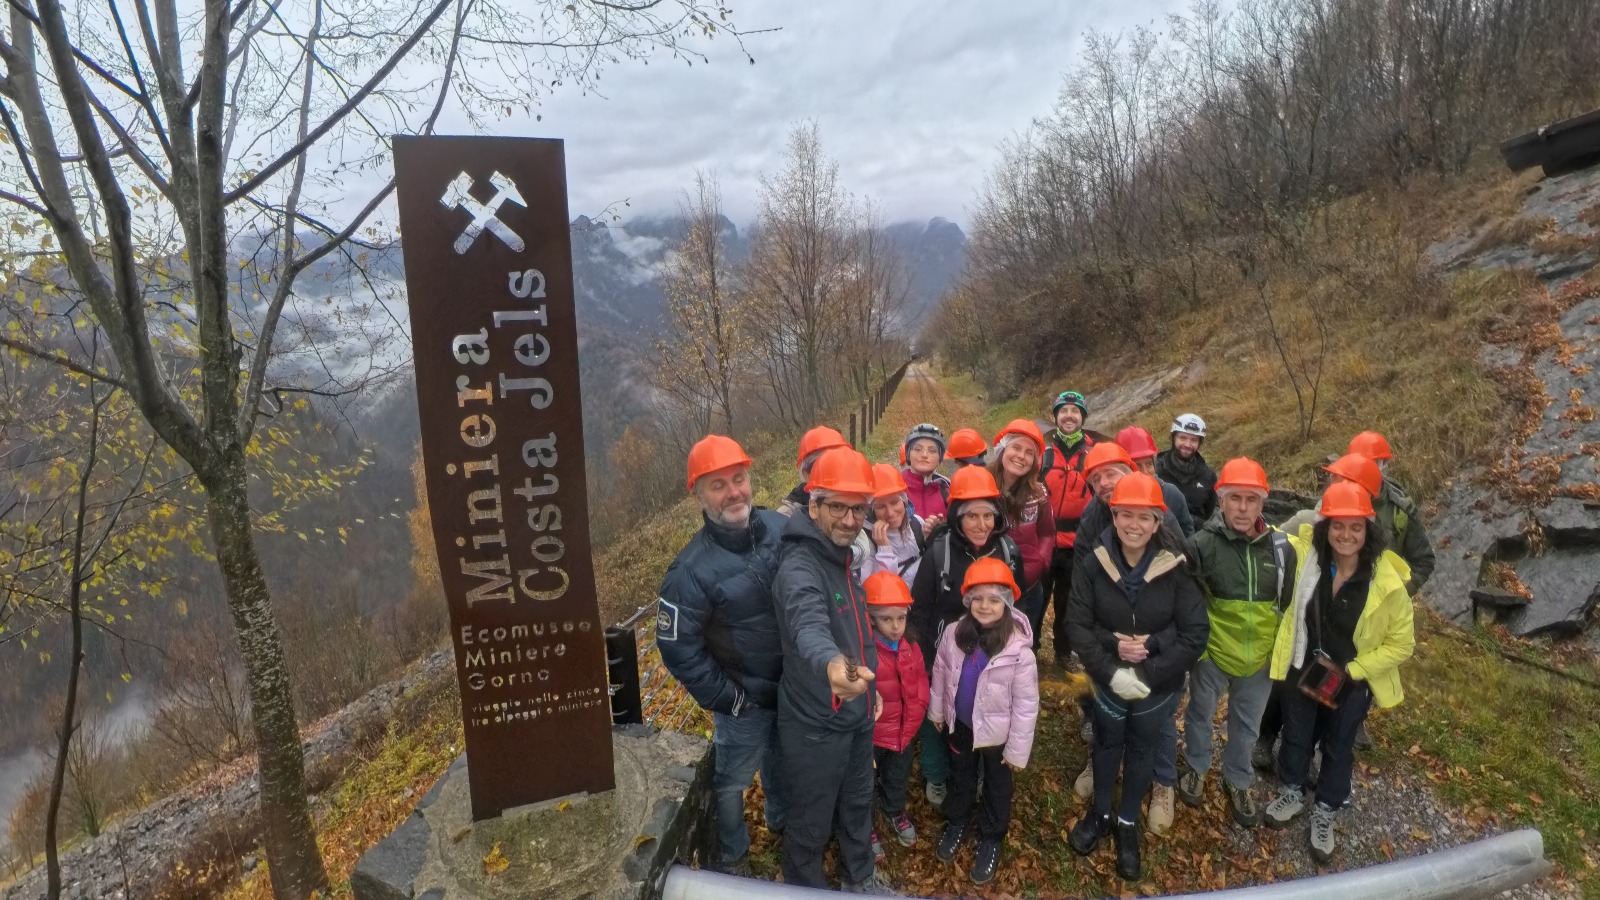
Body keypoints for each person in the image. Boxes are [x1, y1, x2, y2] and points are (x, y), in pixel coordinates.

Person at [1067, 473, 1209, 883]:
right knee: (1107, 741)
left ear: (1157, 521)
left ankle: (1127, 820)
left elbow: (1195, 633)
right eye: (1125, 515)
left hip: (1157, 685)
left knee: (1143, 746)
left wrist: (1148, 671)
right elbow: (1078, 624)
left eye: (1144, 517)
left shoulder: (1177, 567)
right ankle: (1101, 813)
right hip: (1108, 680)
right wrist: (1112, 669)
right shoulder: (1094, 564)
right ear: (1113, 516)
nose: (1134, 525)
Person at [1264, 482, 1415, 865]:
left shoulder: (1386, 583)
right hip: (1304, 667)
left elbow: (1402, 644)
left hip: (1352, 681)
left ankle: (1325, 810)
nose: (1346, 535)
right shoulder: (1308, 558)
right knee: (1296, 734)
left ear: (1368, 530)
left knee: (1338, 745)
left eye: (1355, 527)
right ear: (1325, 526)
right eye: (1338, 526)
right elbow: (1267, 536)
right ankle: (1292, 790)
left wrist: (1355, 670)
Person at [656, 435, 787, 874]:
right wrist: (729, 699)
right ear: (698, 494)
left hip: (790, 690)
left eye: (739, 479)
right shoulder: (689, 573)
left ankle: (781, 823)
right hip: (743, 702)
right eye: (718, 485)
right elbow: (679, 649)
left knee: (781, 761)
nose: (734, 492)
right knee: (731, 782)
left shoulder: (780, 531)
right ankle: (732, 856)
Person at [772, 447, 894, 894]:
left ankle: (859, 876)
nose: (849, 519)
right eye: (838, 507)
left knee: (859, 800)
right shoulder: (801, 565)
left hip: (855, 710)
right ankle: (804, 887)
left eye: (858, 509)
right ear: (814, 506)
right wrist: (831, 665)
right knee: (811, 816)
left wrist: (868, 684)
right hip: (815, 720)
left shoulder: (841, 556)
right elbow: (808, 624)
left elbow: (855, 630)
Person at [1069, 441, 1187, 835]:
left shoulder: (1162, 507)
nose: (1103, 483)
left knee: (1157, 718)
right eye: (1095, 478)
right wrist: (1107, 642)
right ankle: (1101, 764)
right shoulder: (1092, 521)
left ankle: (1163, 781)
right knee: (1105, 710)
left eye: (1111, 473)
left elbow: (1185, 589)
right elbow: (1082, 597)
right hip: (1111, 642)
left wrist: (1156, 645)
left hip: (1156, 646)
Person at [1177, 458, 1296, 830]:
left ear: (1262, 502)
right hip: (1212, 654)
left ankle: (1238, 778)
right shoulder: (1200, 545)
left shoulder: (1282, 549)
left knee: (1247, 726)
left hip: (1259, 660)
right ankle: (1196, 766)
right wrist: (1201, 651)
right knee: (1199, 715)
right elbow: (1187, 603)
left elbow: (1286, 604)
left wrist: (1274, 653)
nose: (1243, 508)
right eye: (1235, 498)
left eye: (1251, 499)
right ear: (1221, 500)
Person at [908, 464, 1024, 813]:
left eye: (987, 515)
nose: (981, 524)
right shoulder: (939, 553)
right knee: (937, 717)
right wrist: (925, 660)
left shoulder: (1007, 551)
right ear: (957, 516)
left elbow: (1018, 605)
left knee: (984, 711)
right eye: (971, 515)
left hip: (991, 656)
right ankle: (936, 773)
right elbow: (920, 610)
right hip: (943, 655)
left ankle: (982, 771)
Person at [928, 558, 1040, 885]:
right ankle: (958, 819)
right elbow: (940, 673)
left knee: (997, 784)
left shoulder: (1018, 651)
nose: (985, 606)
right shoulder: (953, 634)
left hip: (998, 737)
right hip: (962, 726)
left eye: (994, 599)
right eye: (977, 598)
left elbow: (1026, 705)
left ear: (1007, 603)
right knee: (961, 774)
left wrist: (1016, 750)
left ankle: (991, 835)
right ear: (967, 600)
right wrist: (937, 711)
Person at [865, 572, 930, 861]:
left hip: (904, 732)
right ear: (871, 619)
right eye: (886, 619)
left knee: (897, 775)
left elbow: (921, 681)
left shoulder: (911, 647)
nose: (895, 627)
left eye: (901, 618)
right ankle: (865, 825)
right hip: (875, 735)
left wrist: (920, 708)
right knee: (865, 781)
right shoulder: (865, 652)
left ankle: (894, 810)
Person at [1041, 390, 1102, 668]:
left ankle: (1064, 653)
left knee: (1069, 603)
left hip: (1077, 542)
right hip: (1043, 541)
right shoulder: (1043, 453)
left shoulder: (1094, 455)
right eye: (1063, 411)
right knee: (1036, 599)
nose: (1069, 416)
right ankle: (1028, 648)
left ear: (1083, 418)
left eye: (1075, 411)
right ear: (1055, 417)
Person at [987, 418, 1055, 648]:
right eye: (1016, 447)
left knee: (1022, 645)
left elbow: (1047, 533)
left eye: (1029, 453)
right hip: (987, 586)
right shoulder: (982, 484)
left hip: (1028, 586)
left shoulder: (1039, 493)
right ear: (1002, 450)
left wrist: (1040, 563)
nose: (1021, 456)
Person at [1348, 431, 1436, 591]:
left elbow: (1424, 562)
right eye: (1361, 464)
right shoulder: (1337, 498)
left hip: (1384, 598)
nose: (1367, 470)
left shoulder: (1400, 509)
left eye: (1374, 463)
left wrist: (1399, 595)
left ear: (1385, 466)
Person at [1116, 426, 1195, 537]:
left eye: (1149, 464)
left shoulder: (1171, 494)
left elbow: (1187, 533)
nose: (1145, 471)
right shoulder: (1112, 498)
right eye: (1137, 466)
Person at [862, 463, 926, 586]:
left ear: (904, 500)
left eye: (894, 502)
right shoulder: (867, 540)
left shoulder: (917, 523)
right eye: (881, 506)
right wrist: (884, 550)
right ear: (871, 511)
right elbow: (879, 588)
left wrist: (932, 538)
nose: (890, 513)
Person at [1155, 413, 1218, 525]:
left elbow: (1211, 512)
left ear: (1199, 443)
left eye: (1194, 440)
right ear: (1173, 438)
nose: (1187, 444)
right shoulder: (1156, 468)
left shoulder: (1208, 476)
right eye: (1182, 438)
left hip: (1195, 533)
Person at [777, 425, 850, 518]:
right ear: (806, 475)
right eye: (825, 466)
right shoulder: (788, 516)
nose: (834, 473)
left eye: (839, 464)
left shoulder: (858, 502)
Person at [901, 423, 951, 524]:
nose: (924, 455)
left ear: (939, 458)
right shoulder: (896, 488)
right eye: (917, 449)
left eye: (932, 451)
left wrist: (939, 529)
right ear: (908, 454)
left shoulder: (947, 492)